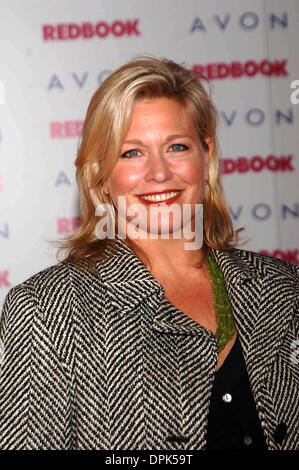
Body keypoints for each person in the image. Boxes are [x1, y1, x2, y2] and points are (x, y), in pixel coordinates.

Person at [0, 56, 298, 451]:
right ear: (101, 175)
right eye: (132, 153)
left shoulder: (284, 287)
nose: (159, 173)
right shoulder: (47, 311)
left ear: (205, 156)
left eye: (177, 146)